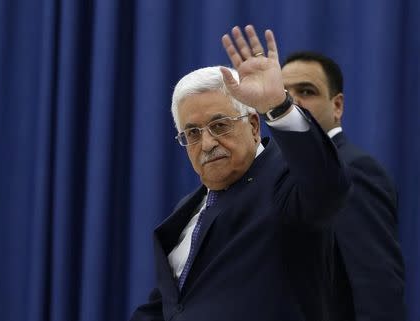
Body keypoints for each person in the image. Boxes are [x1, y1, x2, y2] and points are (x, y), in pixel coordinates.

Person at [130, 26, 351, 321]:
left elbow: (326, 186)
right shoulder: (189, 208)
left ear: (253, 126)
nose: (207, 143)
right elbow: (172, 305)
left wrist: (278, 107)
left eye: (220, 125)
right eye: (192, 133)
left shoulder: (286, 183)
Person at [281, 51, 406, 321]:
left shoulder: (353, 168)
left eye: (306, 91)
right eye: (283, 93)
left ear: (337, 106)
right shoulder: (277, 172)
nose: (292, 103)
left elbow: (374, 283)